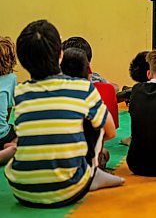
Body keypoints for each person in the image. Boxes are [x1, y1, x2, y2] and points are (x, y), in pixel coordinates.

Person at [5, 20, 124, 208]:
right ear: (61, 55)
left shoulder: (20, 92)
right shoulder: (83, 88)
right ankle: (94, 172)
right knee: (96, 123)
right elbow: (110, 132)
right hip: (69, 189)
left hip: (21, 189)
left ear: (21, 60)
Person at [0, 36, 17, 165]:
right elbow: (9, 108)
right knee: (20, 137)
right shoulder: (11, 79)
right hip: (2, 136)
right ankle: (7, 152)